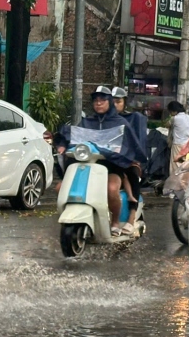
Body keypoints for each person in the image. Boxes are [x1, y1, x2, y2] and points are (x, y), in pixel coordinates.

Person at [55, 86, 145, 236]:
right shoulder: (86, 122)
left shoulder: (120, 123)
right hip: (89, 165)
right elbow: (74, 136)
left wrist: (117, 152)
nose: (98, 103)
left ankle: (115, 221)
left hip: (111, 166)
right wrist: (63, 145)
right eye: (96, 100)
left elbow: (129, 144)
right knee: (60, 188)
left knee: (111, 189)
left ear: (109, 102)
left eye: (102, 100)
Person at [167, 100, 189, 172]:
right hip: (187, 144)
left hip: (177, 144)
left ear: (174, 110)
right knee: (184, 165)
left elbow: (167, 125)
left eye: (170, 112)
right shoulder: (188, 117)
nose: (171, 114)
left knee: (175, 166)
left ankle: (174, 181)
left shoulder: (175, 118)